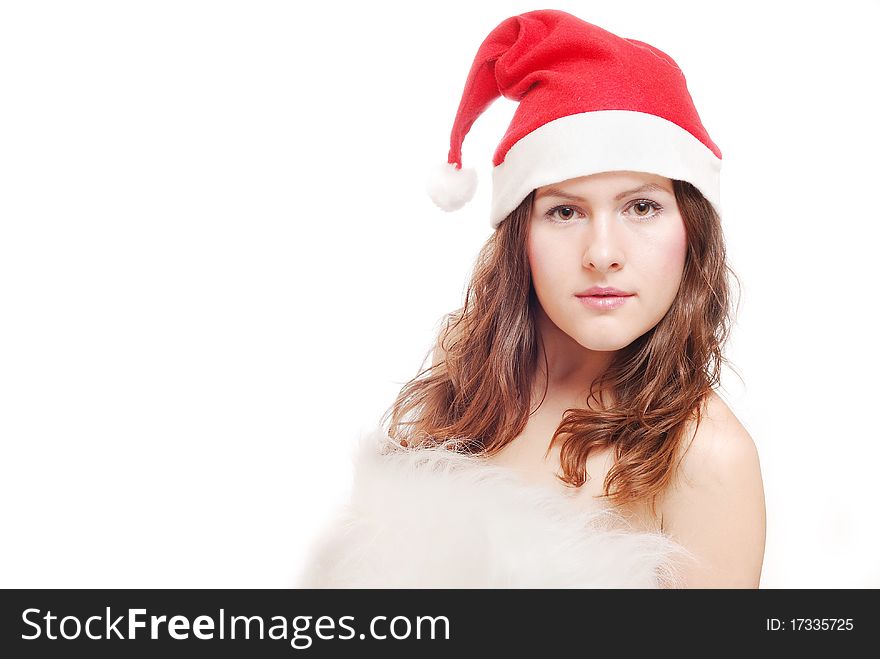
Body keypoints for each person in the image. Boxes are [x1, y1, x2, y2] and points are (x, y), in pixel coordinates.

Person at [297, 9, 766, 589]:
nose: (602, 252)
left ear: (692, 228)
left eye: (642, 207)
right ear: (520, 235)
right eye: (564, 211)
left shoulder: (706, 456)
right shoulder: (465, 387)